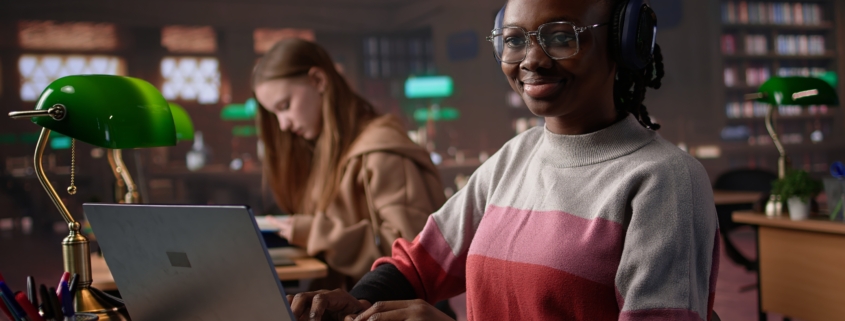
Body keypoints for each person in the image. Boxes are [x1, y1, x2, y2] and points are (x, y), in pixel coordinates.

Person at [286, 0, 720, 319]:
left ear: (624, 43)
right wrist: (356, 298)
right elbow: (419, 264)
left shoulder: (666, 181)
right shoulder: (514, 158)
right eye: (514, 40)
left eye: (561, 36)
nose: (531, 59)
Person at [252, 38, 447, 290]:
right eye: (275, 114)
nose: (283, 125)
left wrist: (317, 234)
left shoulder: (381, 149)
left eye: (285, 106)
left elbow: (413, 254)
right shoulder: (327, 151)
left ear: (318, 81)